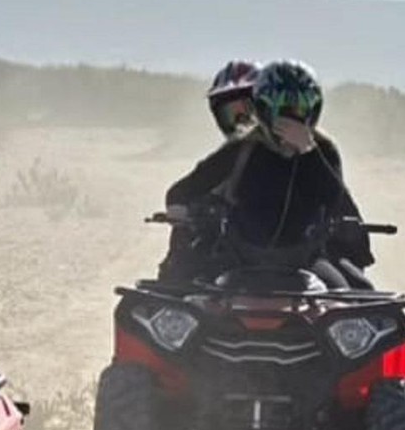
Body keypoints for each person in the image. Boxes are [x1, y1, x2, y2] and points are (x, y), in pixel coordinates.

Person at [163, 60, 374, 288]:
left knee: (358, 297)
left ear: (314, 111)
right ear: (263, 109)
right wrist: (181, 209)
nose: (292, 119)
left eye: (300, 111)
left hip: (305, 261)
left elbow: (335, 200)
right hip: (237, 257)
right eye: (283, 110)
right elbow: (182, 190)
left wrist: (308, 152)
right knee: (176, 289)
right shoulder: (242, 148)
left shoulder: (324, 151)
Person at [157, 59, 260, 282]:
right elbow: (181, 191)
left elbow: (340, 202)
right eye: (230, 114)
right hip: (230, 249)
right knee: (174, 283)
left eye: (248, 111)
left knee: (349, 281)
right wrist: (188, 216)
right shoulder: (230, 155)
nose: (241, 122)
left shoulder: (305, 153)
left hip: (297, 256)